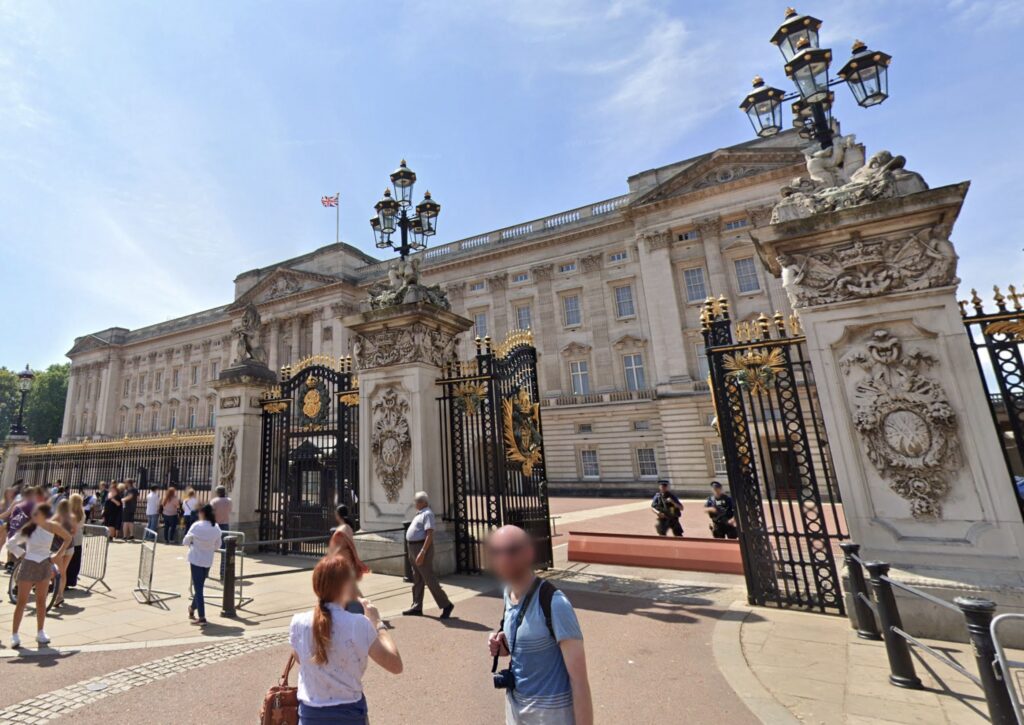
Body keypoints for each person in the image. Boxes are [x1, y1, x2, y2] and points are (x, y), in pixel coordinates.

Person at [487, 526, 592, 725]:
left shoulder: (555, 603)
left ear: (528, 553)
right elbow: (526, 641)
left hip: (551, 717)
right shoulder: (508, 593)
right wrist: (504, 645)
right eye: (497, 552)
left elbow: (579, 682)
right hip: (516, 713)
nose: (503, 559)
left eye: (511, 551)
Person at [289, 554, 403, 723]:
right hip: (350, 713)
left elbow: (300, 659)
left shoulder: (299, 622)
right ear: (347, 587)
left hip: (311, 715)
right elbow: (395, 665)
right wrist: (377, 622)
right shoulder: (359, 624)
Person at [8, 503, 71, 649]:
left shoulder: (52, 526)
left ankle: (40, 631)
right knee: (22, 602)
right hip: (29, 564)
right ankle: (14, 634)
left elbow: (67, 538)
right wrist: (23, 554)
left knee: (41, 601)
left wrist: (58, 554)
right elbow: (11, 543)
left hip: (44, 564)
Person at [402, 491, 453, 619]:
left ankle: (446, 604)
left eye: (417, 501)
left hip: (420, 548)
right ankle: (417, 606)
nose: (415, 504)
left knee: (429, 578)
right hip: (413, 547)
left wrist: (422, 552)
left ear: (423, 502)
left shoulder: (428, 514)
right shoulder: (420, 514)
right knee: (417, 578)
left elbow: (429, 534)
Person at [182, 503, 222, 626]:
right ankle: (192, 608)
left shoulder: (196, 526)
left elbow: (185, 541)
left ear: (203, 513)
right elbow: (218, 545)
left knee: (198, 589)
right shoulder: (216, 528)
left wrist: (194, 542)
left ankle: (202, 617)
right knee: (200, 586)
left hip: (196, 559)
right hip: (207, 560)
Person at [329, 505, 370, 613]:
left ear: (338, 515)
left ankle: (367, 608)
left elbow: (345, 547)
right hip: (344, 561)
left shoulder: (343, 529)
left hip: (343, 562)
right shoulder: (347, 527)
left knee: (351, 588)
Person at [3, 487, 47, 573]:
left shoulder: (17, 503)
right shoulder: (33, 505)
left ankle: (10, 564)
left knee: (12, 547)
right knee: (22, 551)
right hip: (24, 531)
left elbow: (11, 516)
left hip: (14, 528)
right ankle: (17, 568)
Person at [50, 499, 77, 607]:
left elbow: (49, 530)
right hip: (70, 547)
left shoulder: (56, 517)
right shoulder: (72, 517)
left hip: (58, 547)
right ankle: (60, 595)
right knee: (63, 572)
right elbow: (74, 532)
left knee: (57, 572)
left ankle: (59, 595)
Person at [66, 493, 86, 589]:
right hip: (78, 538)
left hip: (69, 537)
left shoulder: (68, 512)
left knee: (67, 560)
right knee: (75, 560)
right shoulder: (82, 513)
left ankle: (64, 581)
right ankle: (72, 580)